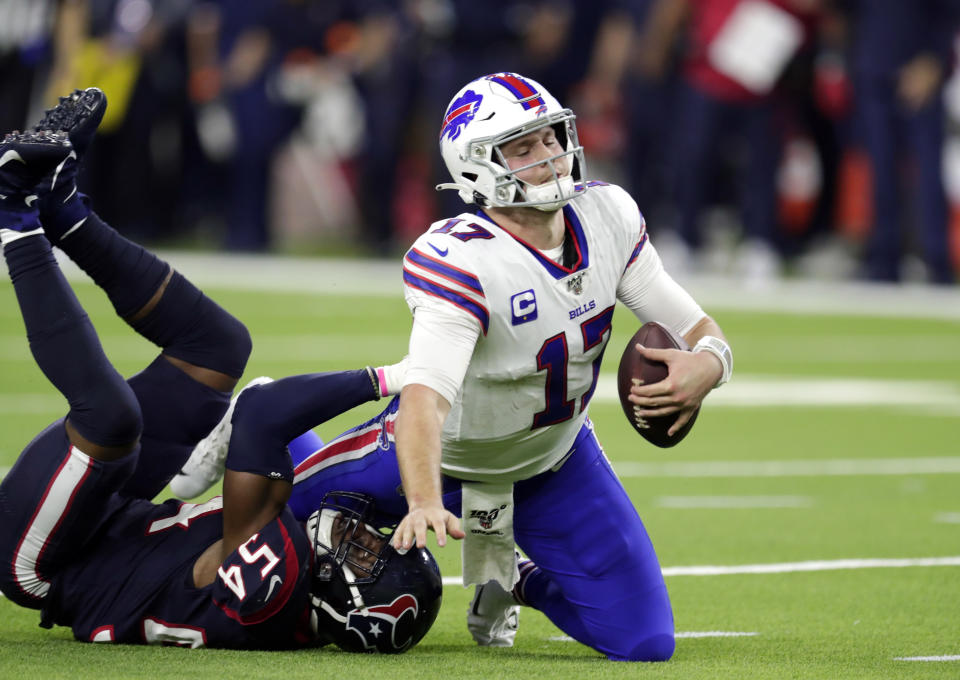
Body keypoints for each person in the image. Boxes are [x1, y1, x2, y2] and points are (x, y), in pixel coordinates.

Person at [174, 72, 732, 662]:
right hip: (434, 460)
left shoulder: (607, 214)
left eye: (550, 137)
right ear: (477, 168)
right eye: (523, 147)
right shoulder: (461, 258)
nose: (550, 156)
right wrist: (421, 501)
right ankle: (267, 419)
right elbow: (423, 400)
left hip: (554, 461)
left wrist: (709, 366)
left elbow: (696, 327)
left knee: (644, 642)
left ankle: (513, 575)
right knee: (244, 548)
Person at [0, 88, 442, 652]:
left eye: (364, 555)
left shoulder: (272, 592)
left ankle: (13, 212)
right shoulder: (289, 598)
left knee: (112, 421)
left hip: (41, 560)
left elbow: (261, 411)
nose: (363, 539)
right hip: (113, 523)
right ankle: (63, 209)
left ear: (345, 605)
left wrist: (395, 376)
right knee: (217, 345)